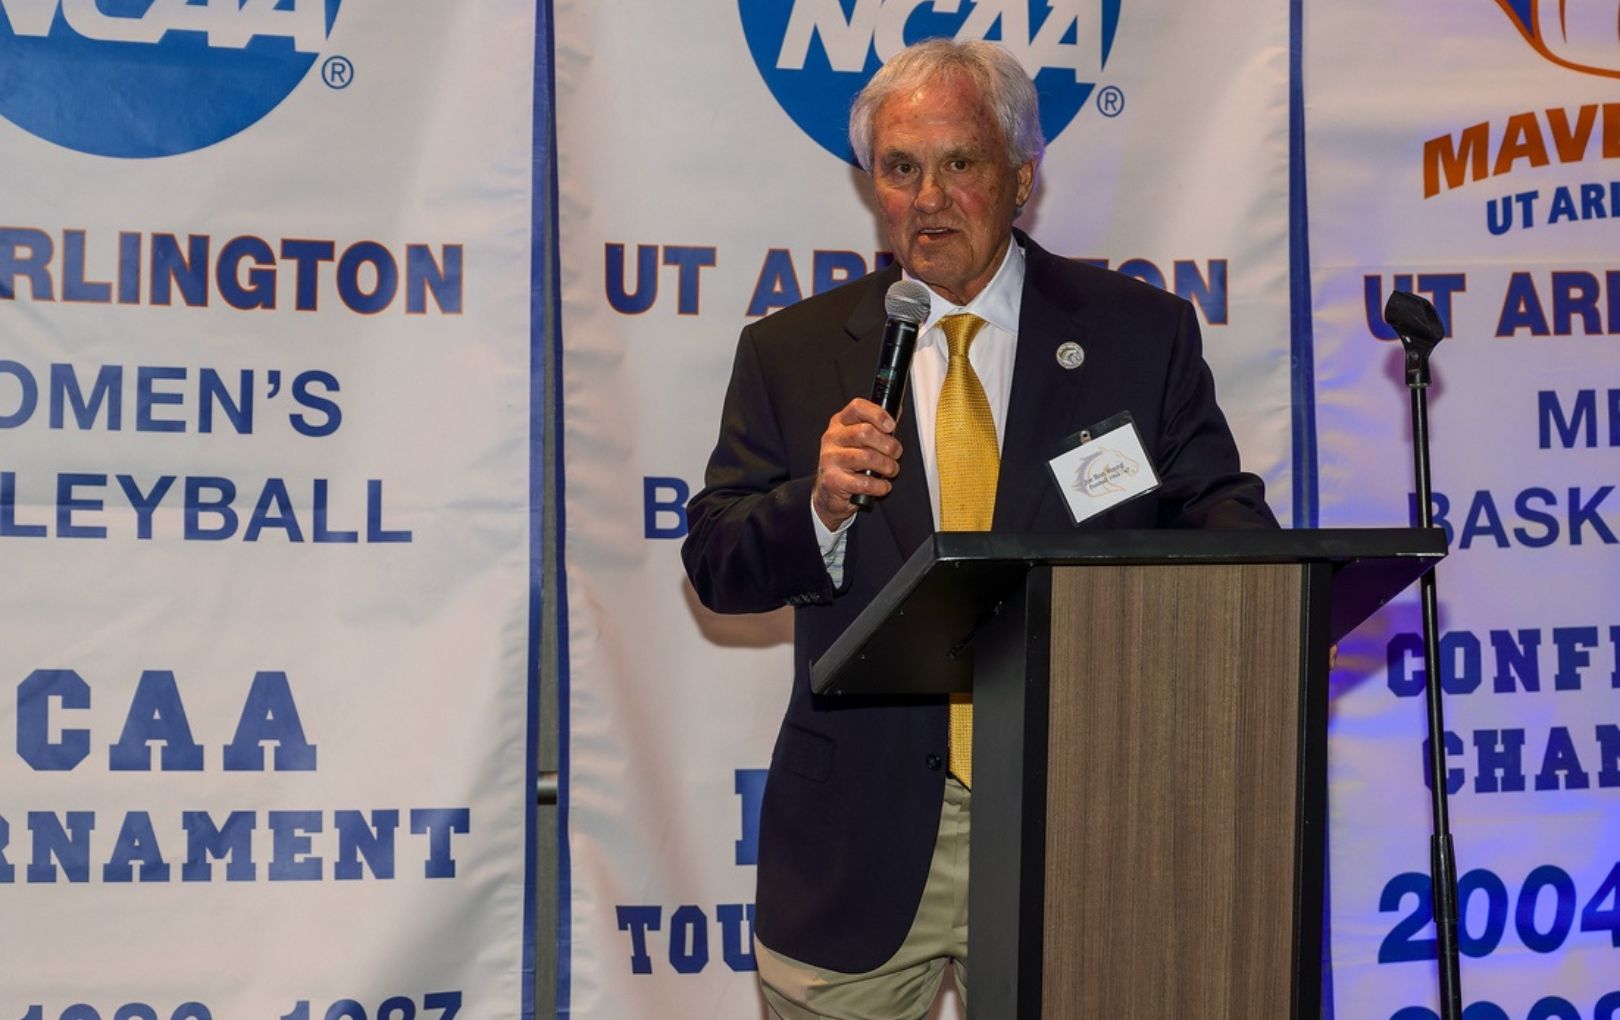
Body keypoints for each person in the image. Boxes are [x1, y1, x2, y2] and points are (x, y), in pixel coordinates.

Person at [682, 37, 1276, 1019]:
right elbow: (715, 561)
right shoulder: (791, 354)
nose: (927, 199)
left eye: (959, 164)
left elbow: (1219, 514)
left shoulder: (1139, 335)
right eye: (900, 169)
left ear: (1023, 176)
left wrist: (1257, 582)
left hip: (1083, 818)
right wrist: (817, 506)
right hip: (856, 845)